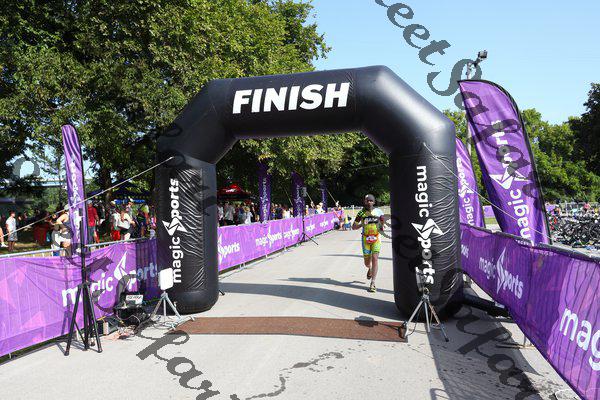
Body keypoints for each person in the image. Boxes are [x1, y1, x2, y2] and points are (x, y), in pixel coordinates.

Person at [352, 194, 384, 293]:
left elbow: (382, 223)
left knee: (375, 259)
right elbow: (353, 227)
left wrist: (381, 226)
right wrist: (362, 224)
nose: (369, 202)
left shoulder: (379, 212)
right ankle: (369, 268)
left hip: (376, 238)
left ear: (374, 202)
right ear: (364, 202)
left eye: (371, 201)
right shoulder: (361, 213)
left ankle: (373, 283)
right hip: (365, 240)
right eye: (367, 201)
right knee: (367, 263)